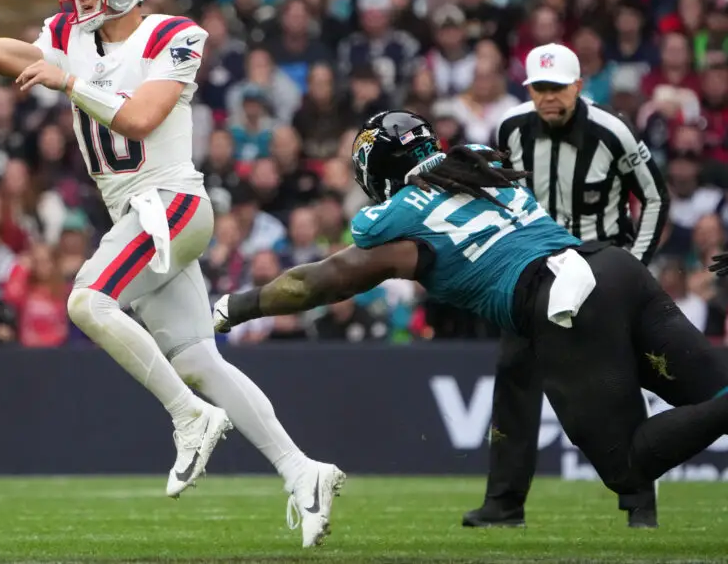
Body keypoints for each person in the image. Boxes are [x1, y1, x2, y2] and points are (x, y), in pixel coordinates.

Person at [0, 0, 343, 546]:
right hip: (138, 217)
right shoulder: (66, 37)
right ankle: (303, 469)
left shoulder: (174, 34)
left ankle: (189, 417)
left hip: (171, 203)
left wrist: (69, 83)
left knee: (87, 301)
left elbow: (141, 117)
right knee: (196, 357)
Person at [214, 110, 728, 520]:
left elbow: (317, 279)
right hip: (611, 266)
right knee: (712, 394)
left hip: (562, 300)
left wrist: (236, 307)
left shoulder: (395, 218)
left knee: (628, 465)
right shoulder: (478, 160)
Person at [467, 43, 670, 529]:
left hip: (599, 266)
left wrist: (632, 266)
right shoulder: (511, 128)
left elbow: (656, 197)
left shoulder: (612, 131)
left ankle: (639, 502)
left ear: (579, 87)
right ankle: (503, 503)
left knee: (614, 384)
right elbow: (503, 194)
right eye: (540, 88)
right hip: (533, 269)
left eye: (558, 88)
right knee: (514, 377)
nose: (548, 98)